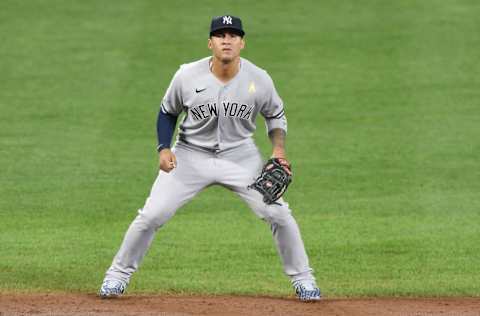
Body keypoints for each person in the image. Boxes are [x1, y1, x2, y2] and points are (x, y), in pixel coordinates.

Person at [99, 15, 321, 302]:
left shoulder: (259, 78)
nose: (226, 40)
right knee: (152, 214)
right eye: (220, 35)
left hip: (240, 156)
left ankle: (304, 280)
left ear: (242, 43)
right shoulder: (187, 75)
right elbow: (167, 112)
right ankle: (116, 276)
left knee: (279, 214)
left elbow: (275, 115)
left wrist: (278, 150)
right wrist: (163, 148)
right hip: (190, 155)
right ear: (210, 43)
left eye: (233, 35)